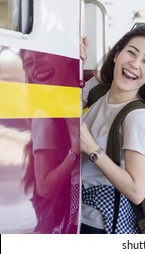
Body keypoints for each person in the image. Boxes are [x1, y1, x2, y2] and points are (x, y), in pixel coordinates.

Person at [79, 23, 145, 234]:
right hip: (76, 210)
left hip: (99, 224)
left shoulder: (137, 117)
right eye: (131, 52)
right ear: (116, 53)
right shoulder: (96, 88)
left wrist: (92, 149)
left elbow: (137, 191)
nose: (134, 64)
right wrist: (74, 61)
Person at [21, 50, 80, 234]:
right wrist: (76, 151)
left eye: (42, 54)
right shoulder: (44, 117)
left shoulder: (88, 99)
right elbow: (45, 188)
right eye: (29, 63)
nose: (36, 65)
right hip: (74, 217)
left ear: (68, 55)